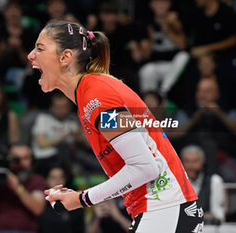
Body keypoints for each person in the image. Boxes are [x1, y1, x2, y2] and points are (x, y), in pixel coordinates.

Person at [27, 20, 203, 232]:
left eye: (39, 48)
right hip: (164, 210)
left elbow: (144, 167)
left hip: (165, 209)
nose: (31, 55)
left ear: (65, 57)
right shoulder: (91, 94)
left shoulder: (97, 96)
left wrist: (82, 199)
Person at [0, 143, 46, 233]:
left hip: (24, 230)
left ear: (32, 159)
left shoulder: (37, 180)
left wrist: (17, 187)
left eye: (25, 158)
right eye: (16, 159)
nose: (21, 163)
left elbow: (37, 209)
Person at [31, 91, 78, 176]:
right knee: (64, 147)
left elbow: (84, 144)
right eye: (58, 107)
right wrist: (65, 135)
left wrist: (79, 136)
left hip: (67, 158)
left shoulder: (72, 123)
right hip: (44, 158)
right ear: (51, 107)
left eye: (64, 107)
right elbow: (42, 144)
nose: (62, 110)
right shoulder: (43, 119)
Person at [181, 145, 225, 223]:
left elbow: (218, 216)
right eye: (187, 161)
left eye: (195, 161)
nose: (191, 166)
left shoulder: (214, 181)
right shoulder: (177, 183)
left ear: (202, 163)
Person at [38, 165, 85, 233]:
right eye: (53, 178)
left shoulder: (74, 202)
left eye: (61, 177)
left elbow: (80, 228)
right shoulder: (41, 202)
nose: (57, 181)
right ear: (46, 180)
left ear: (65, 179)